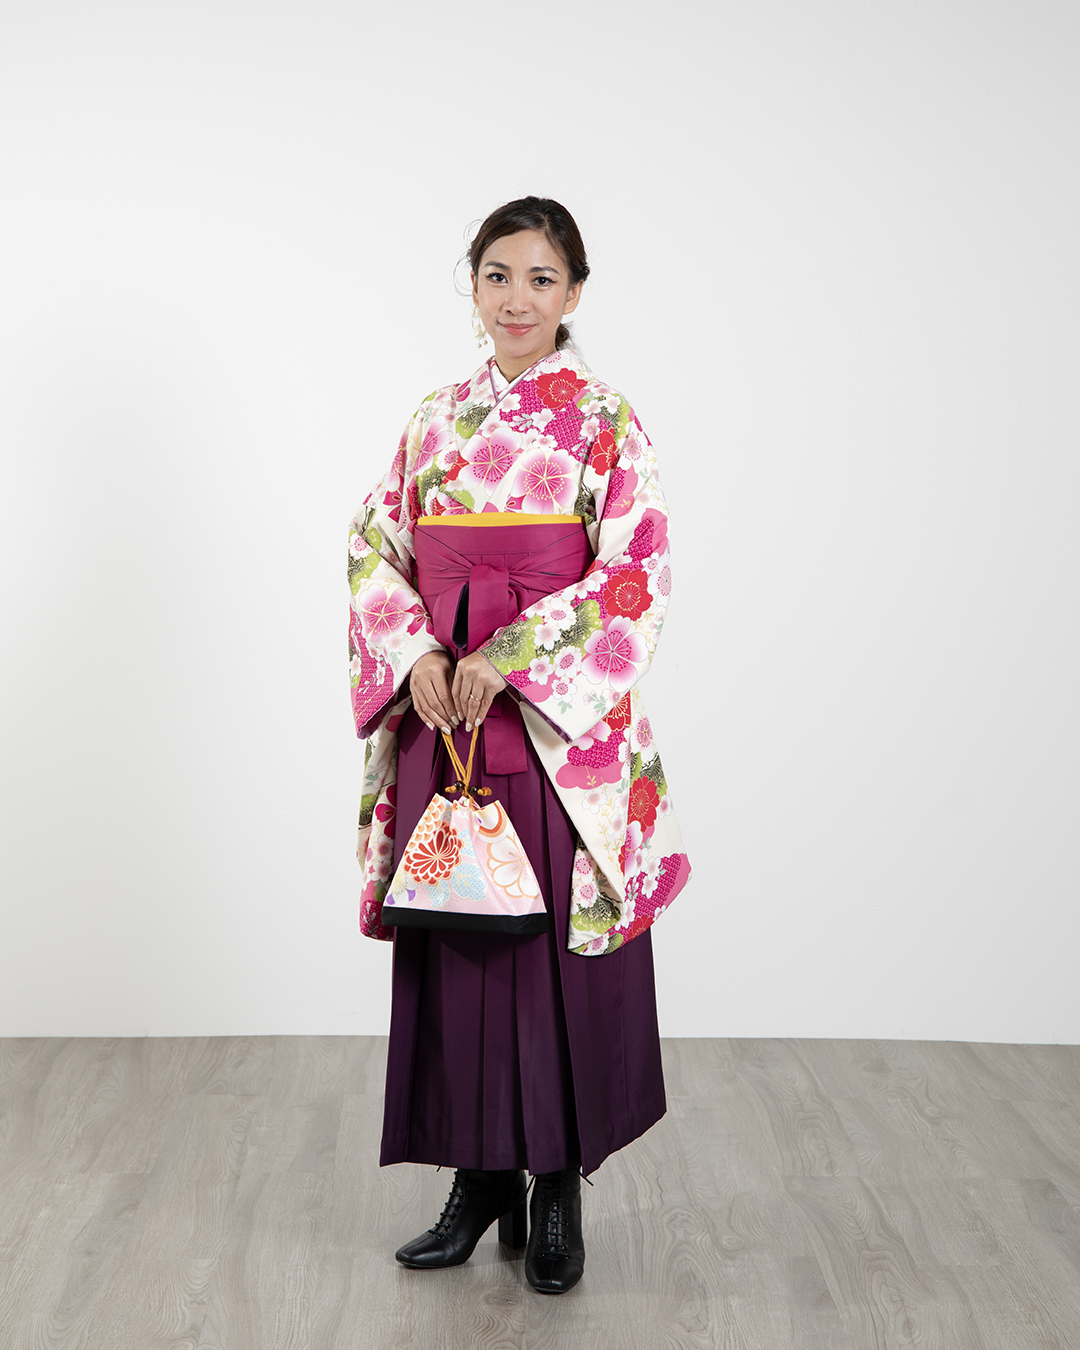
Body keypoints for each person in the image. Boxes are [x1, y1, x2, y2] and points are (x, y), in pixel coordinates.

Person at [348, 197, 691, 1294]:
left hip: (551, 730)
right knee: (457, 938)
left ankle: (554, 1187)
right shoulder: (435, 420)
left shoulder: (603, 420)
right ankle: (477, 1176)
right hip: (446, 719)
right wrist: (415, 652)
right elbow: (374, 546)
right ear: (474, 284)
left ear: (574, 292)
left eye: (542, 278)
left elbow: (635, 572)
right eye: (497, 275)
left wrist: (516, 653)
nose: (517, 298)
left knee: (553, 959)